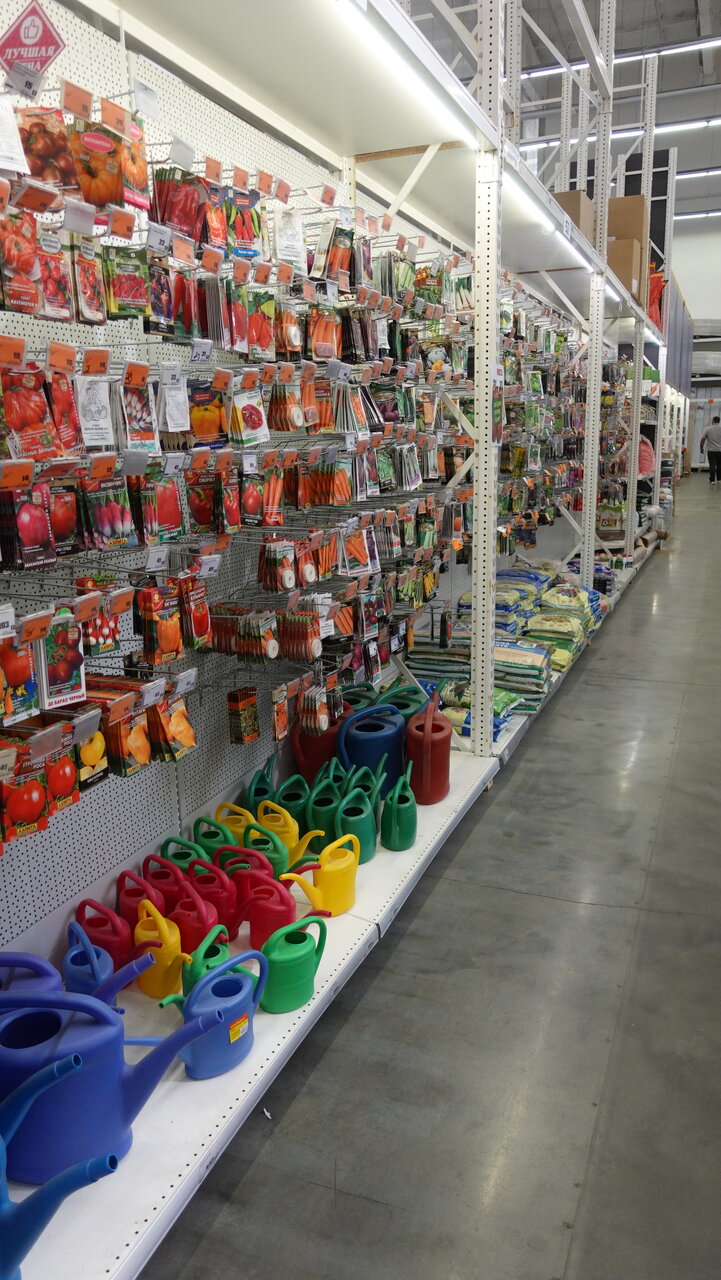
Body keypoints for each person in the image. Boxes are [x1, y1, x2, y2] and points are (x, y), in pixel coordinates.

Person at [700, 415, 721, 485]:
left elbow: (703, 439)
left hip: (711, 450)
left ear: (713, 421)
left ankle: (712, 480)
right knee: (719, 465)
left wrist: (701, 448)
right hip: (720, 450)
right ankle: (719, 479)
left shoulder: (708, 429)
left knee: (712, 465)